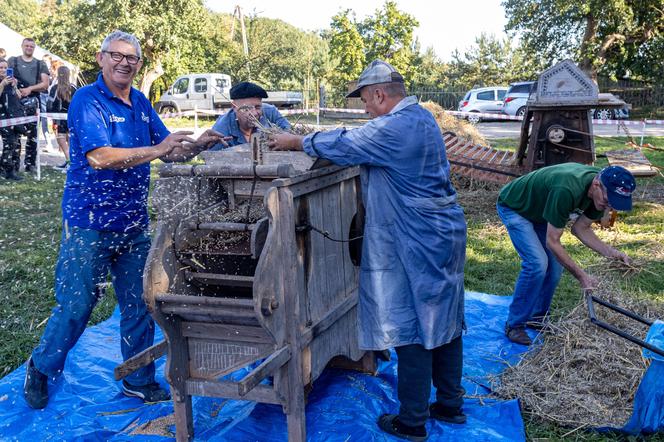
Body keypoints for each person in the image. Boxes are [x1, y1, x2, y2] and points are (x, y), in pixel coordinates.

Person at [23, 30, 225, 410]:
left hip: (132, 225)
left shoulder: (140, 103)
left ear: (138, 64)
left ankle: (138, 378)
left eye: (131, 58)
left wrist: (198, 144)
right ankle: (42, 366)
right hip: (89, 223)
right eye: (116, 55)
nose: (124, 63)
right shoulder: (87, 100)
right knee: (77, 305)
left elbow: (169, 153)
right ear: (101, 59)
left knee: (141, 302)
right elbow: (99, 156)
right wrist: (159, 149)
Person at [269, 60, 467, 442]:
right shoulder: (421, 118)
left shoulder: (394, 128)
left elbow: (347, 143)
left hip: (418, 239)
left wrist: (294, 141)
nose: (364, 109)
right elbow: (362, 138)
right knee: (446, 318)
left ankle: (412, 422)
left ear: (379, 94)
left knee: (412, 324)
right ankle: (450, 405)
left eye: (365, 100)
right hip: (443, 232)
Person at [497, 163, 636, 345]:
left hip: (541, 212)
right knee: (537, 264)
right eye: (608, 200)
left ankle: (536, 319)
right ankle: (514, 325)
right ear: (596, 185)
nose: (608, 206)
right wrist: (582, 276)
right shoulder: (567, 188)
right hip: (516, 206)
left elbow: (581, 228)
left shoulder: (600, 195)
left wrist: (612, 253)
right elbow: (552, 241)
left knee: (554, 269)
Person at [7, 38, 49, 173]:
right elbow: (6, 77)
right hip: (15, 101)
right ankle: (13, 164)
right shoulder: (12, 61)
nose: (29, 48)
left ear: (34, 48)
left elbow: (45, 84)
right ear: (22, 46)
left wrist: (30, 89)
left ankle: (30, 164)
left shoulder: (40, 64)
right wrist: (15, 87)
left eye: (32, 46)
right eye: (27, 45)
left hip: (33, 101)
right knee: (15, 133)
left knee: (33, 135)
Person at [209, 81, 290, 149]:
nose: (254, 113)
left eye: (258, 107)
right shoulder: (221, 129)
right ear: (234, 107)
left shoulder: (270, 112)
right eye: (247, 108)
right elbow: (213, 159)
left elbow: (289, 131)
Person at [47, 65, 76, 170]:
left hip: (60, 118)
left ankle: (70, 162)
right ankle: (69, 161)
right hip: (72, 118)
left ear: (58, 75)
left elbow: (49, 104)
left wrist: (49, 114)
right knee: (69, 139)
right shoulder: (74, 88)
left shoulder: (55, 88)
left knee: (61, 139)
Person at [0, 58, 24, 180]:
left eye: (5, 68)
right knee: (9, 143)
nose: (3, 70)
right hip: (2, 116)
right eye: (1, 68)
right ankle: (9, 171)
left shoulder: (11, 81)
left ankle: (4, 167)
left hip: (13, 116)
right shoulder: (2, 82)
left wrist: (14, 86)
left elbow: (19, 96)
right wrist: (2, 84)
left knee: (14, 142)